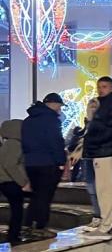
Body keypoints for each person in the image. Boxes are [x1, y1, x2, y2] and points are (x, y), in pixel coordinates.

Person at [84, 76, 112, 238]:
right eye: (99, 86)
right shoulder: (103, 104)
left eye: (105, 86)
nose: (101, 89)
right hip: (103, 149)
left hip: (103, 149)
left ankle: (106, 224)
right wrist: (92, 113)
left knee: (103, 189)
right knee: (108, 186)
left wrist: (94, 138)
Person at [21, 92, 66, 239]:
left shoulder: (28, 120)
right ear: (52, 104)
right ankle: (40, 227)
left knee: (36, 196)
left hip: (30, 164)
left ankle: (28, 224)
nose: (60, 108)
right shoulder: (51, 120)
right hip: (47, 163)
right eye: (59, 105)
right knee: (44, 196)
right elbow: (56, 142)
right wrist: (61, 162)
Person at [68, 98, 102, 232]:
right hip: (87, 159)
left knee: (99, 189)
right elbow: (84, 141)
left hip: (98, 159)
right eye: (90, 106)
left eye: (95, 106)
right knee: (91, 190)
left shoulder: (101, 123)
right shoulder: (88, 125)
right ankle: (97, 215)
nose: (92, 108)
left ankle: (102, 215)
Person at [0, 119, 30, 245]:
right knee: (17, 210)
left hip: (6, 181)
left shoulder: (7, 144)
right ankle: (13, 237)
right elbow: (10, 165)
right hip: (10, 182)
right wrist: (23, 182)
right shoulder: (14, 144)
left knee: (17, 209)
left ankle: (14, 235)